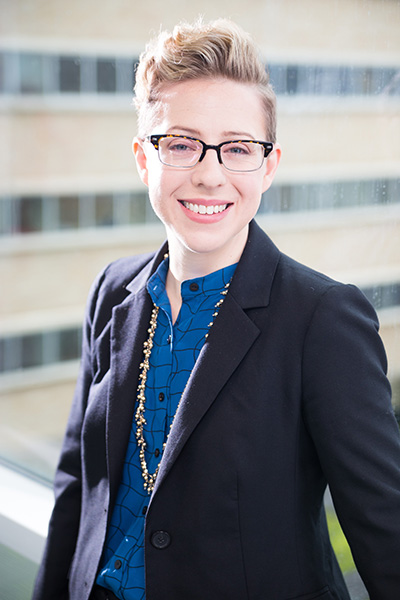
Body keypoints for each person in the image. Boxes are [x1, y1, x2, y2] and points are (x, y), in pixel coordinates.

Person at [33, 18, 400, 600]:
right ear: (142, 159)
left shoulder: (323, 319)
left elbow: (387, 536)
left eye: (237, 148)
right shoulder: (113, 291)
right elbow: (77, 486)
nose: (209, 174)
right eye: (180, 144)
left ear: (269, 165)